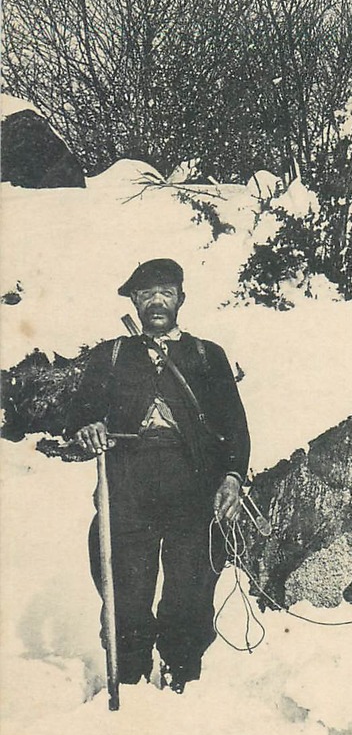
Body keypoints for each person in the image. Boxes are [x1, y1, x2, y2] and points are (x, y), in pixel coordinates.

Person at [65, 258, 250, 692]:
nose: (156, 301)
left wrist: (233, 478)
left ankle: (181, 678)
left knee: (188, 594)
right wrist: (89, 424)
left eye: (166, 292)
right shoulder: (110, 355)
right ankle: (127, 684)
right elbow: (80, 411)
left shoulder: (207, 355)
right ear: (134, 300)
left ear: (181, 299)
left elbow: (235, 427)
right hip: (128, 485)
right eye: (146, 294)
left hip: (193, 485)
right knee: (126, 596)